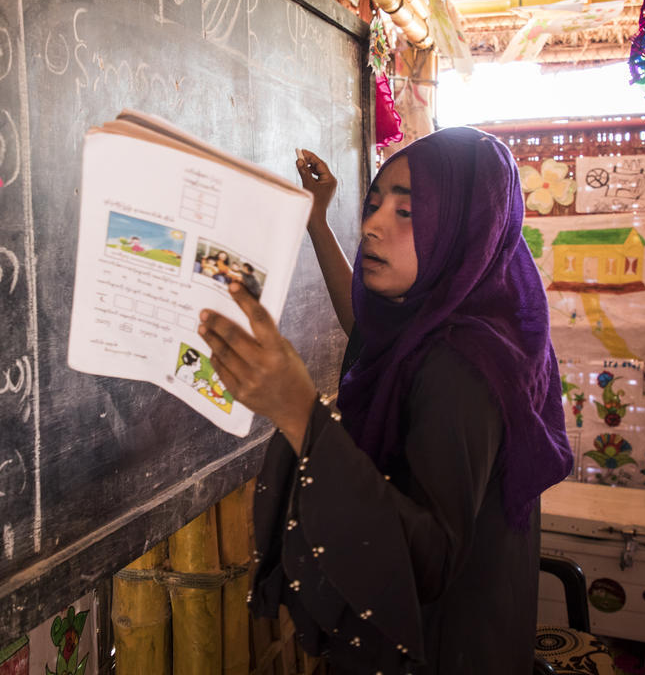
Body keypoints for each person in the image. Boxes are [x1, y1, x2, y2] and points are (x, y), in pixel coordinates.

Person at [197, 128, 572, 674]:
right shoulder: (472, 329)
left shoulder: (461, 368)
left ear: (466, 228)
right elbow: (367, 331)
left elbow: (426, 564)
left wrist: (301, 413)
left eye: (407, 212)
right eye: (374, 204)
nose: (371, 225)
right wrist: (316, 223)